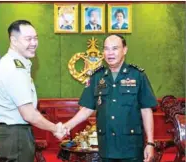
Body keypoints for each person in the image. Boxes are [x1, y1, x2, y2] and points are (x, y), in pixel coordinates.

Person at [64, 34, 157, 162]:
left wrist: (150, 143)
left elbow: (146, 110)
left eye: (115, 48)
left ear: (124, 50)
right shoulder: (97, 77)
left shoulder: (138, 75)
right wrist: (66, 126)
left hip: (131, 147)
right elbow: (86, 109)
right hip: (106, 148)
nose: (110, 53)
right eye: (106, 49)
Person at [0, 20, 66, 162]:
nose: (34, 43)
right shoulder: (15, 68)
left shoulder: (13, 63)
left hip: (14, 133)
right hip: (15, 134)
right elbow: (29, 114)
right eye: (28, 39)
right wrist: (55, 128)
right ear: (13, 40)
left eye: (35, 38)